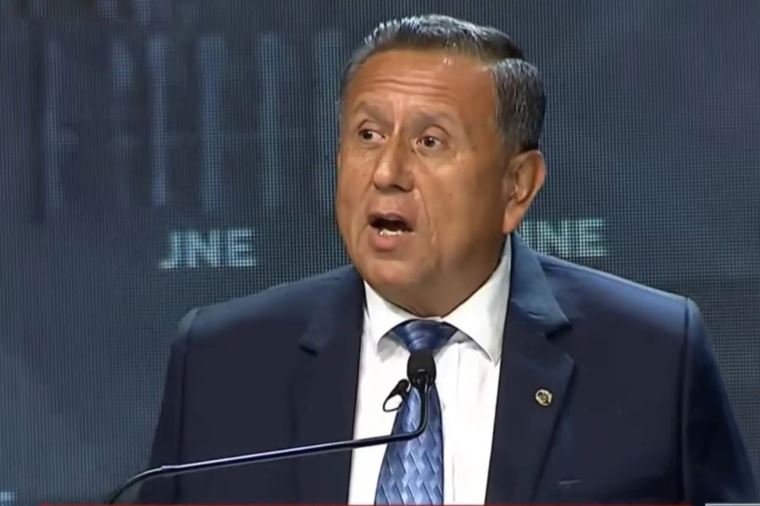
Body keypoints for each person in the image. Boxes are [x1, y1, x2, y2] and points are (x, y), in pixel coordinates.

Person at [139, 14, 758, 504]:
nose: (387, 171)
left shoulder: (654, 355)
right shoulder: (223, 361)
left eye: (430, 141)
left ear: (517, 186)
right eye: (367, 135)